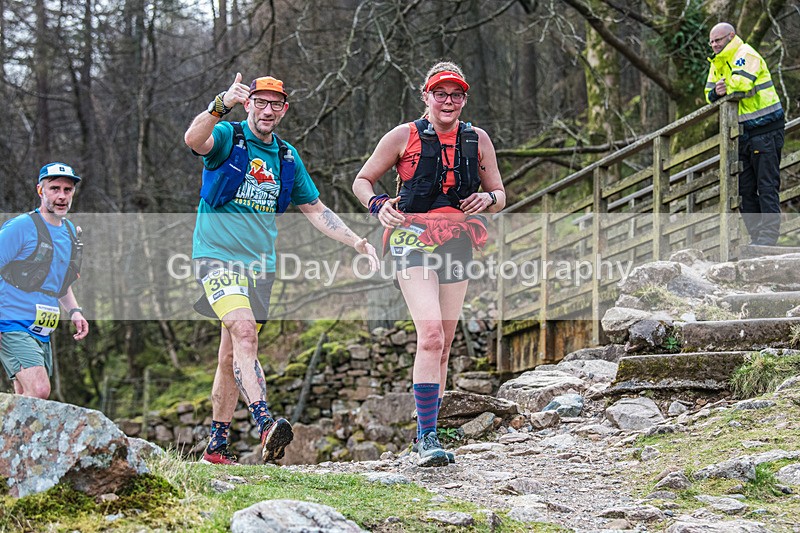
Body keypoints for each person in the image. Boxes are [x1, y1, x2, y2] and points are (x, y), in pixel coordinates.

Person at [185, 72, 378, 465]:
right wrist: (221, 104)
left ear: (284, 109)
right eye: (261, 101)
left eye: (276, 104)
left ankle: (216, 447)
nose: (267, 109)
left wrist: (356, 240)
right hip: (217, 258)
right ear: (250, 103)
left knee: (230, 356)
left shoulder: (287, 157)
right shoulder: (228, 136)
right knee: (243, 332)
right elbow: (193, 139)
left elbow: (316, 210)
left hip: (260, 269)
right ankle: (265, 422)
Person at [352, 61, 505, 467]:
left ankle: (431, 429)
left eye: (456, 94)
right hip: (410, 236)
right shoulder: (404, 136)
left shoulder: (478, 139)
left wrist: (488, 200)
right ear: (427, 96)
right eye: (441, 93)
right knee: (432, 333)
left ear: (464, 99)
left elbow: (500, 193)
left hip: (457, 239)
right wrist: (378, 204)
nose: (448, 101)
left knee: (446, 342)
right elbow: (362, 180)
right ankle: (425, 437)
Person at [0, 162, 89, 399]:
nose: (61, 196)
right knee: (40, 391)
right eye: (54, 188)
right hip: (11, 322)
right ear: (40, 190)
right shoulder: (21, 227)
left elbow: (60, 283)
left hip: (42, 329)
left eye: (67, 190)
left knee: (23, 398)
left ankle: (13, 438)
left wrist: (75, 311)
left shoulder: (70, 232)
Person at [706, 22, 785, 246]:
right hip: (741, 134)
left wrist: (723, 88)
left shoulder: (746, 53)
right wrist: (715, 92)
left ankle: (768, 239)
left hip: (766, 129)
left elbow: (741, 83)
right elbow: (709, 93)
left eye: (718, 40)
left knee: (766, 185)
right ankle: (757, 237)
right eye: (711, 41)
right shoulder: (717, 63)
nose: (714, 45)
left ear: (731, 36)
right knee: (744, 189)